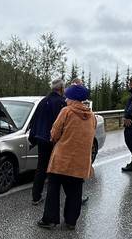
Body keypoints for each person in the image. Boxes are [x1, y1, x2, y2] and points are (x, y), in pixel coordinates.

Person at [37, 84, 96, 230]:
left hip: (62, 160)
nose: (66, 99)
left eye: (68, 97)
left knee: (53, 189)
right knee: (75, 192)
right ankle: (71, 221)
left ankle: (50, 219)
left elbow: (54, 133)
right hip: (80, 161)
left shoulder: (66, 111)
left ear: (71, 98)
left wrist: (57, 139)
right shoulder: (92, 116)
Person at [28, 78, 67, 205]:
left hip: (41, 139)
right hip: (54, 140)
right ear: (61, 89)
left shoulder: (43, 101)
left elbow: (34, 121)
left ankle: (36, 196)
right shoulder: (62, 103)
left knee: (41, 168)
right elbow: (62, 125)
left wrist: (33, 138)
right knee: (55, 169)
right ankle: (57, 198)